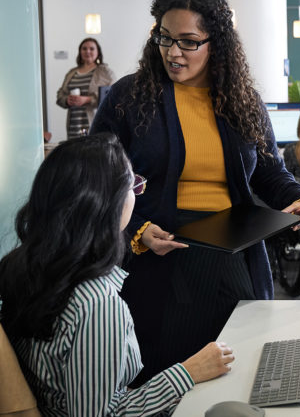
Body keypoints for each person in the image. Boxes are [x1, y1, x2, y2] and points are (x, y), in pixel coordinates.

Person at [91, 0, 300, 386]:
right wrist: (138, 231)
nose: (173, 52)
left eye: (188, 42)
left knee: (239, 368)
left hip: (233, 253)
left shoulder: (241, 98)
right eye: (164, 38)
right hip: (158, 254)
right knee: (166, 372)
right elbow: (95, 180)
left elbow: (269, 171)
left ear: (217, 43)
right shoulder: (128, 97)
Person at [0, 134, 234, 415]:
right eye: (132, 184)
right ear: (106, 204)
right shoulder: (96, 303)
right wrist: (189, 372)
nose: (136, 193)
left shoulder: (21, 265)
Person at [56, 38, 115, 139]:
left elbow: (113, 95)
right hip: (73, 126)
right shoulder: (72, 73)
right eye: (84, 48)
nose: (88, 51)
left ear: (98, 52)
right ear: (80, 52)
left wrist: (88, 99)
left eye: (92, 49)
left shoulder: (105, 71)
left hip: (94, 123)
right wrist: (67, 100)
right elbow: (60, 95)